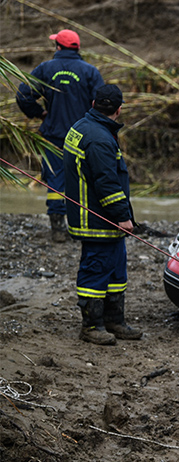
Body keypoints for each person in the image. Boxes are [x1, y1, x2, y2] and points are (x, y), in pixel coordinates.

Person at [63, 84, 142, 346]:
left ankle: (114, 320)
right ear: (119, 109)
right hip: (97, 219)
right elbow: (107, 182)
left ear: (94, 102)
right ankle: (91, 326)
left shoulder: (84, 126)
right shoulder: (98, 138)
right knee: (96, 270)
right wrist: (122, 216)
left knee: (117, 271)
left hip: (99, 217)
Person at [16, 29, 104, 243]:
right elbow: (101, 104)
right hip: (84, 137)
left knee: (56, 180)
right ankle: (85, 225)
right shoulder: (90, 71)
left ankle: (57, 229)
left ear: (58, 47)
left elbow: (23, 95)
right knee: (86, 178)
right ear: (77, 48)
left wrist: (40, 113)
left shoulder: (46, 69)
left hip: (54, 135)